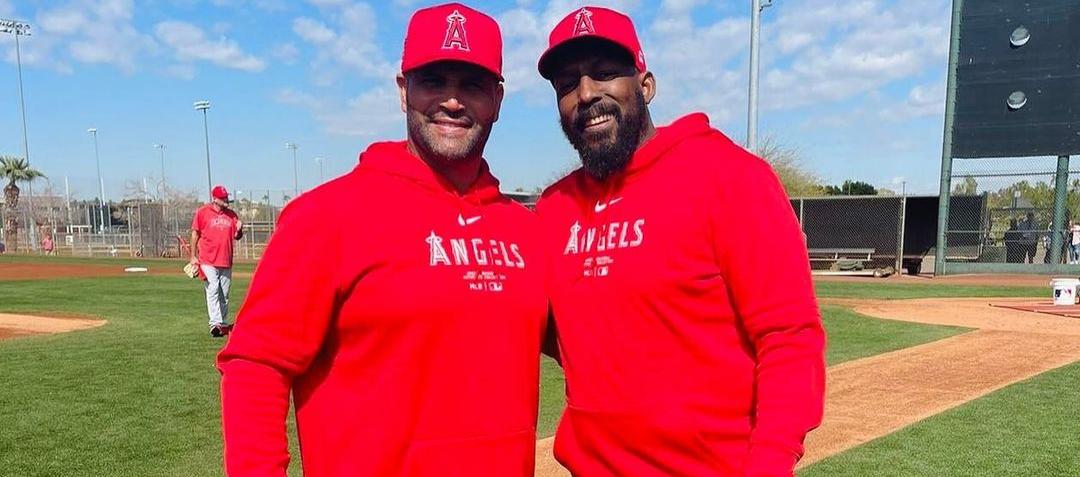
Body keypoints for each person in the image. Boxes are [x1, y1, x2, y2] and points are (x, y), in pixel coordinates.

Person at [216, 4, 547, 476]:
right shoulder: (328, 216)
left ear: (497, 98)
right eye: (434, 81)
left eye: (471, 85)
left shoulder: (526, 232)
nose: (452, 101)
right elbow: (255, 366)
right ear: (402, 90)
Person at [535, 7, 825, 477]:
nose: (586, 94)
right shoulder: (554, 209)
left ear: (645, 84)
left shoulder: (730, 177)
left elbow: (790, 337)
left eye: (605, 74)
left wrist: (769, 463)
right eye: (568, 83)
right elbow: (547, 328)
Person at [190, 185, 243, 337]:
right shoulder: (203, 212)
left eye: (227, 197)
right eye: (223, 198)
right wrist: (193, 256)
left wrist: (239, 230)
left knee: (224, 293)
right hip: (207, 259)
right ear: (215, 199)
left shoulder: (232, 215)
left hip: (225, 259)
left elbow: (237, 236)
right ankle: (215, 323)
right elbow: (195, 234)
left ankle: (223, 324)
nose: (226, 200)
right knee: (213, 288)